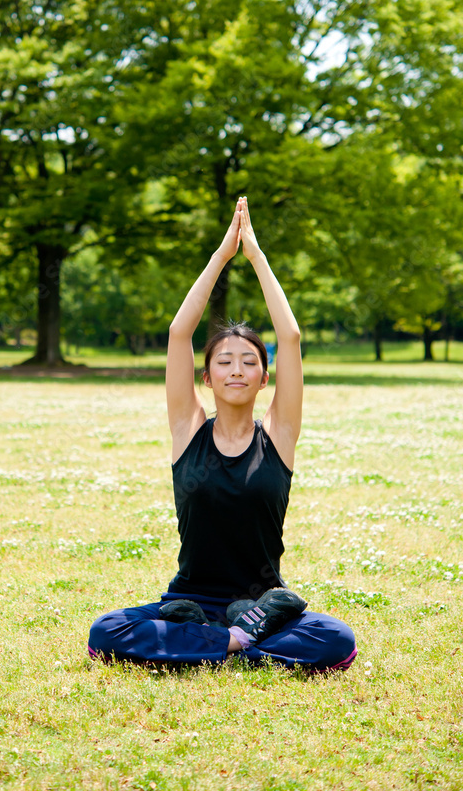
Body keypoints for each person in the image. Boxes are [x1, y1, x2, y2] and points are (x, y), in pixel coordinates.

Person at [88, 196, 357, 671]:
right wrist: (220, 256)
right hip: (188, 599)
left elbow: (290, 336)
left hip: (261, 607)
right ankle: (228, 641)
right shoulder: (187, 431)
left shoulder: (279, 435)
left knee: (335, 639)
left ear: (264, 378)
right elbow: (178, 333)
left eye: (250, 361)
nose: (237, 369)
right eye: (224, 362)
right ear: (206, 378)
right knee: (107, 632)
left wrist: (256, 256)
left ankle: (213, 640)